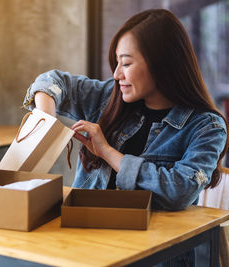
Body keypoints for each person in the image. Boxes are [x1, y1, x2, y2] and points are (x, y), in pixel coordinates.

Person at [23, 8, 228, 266]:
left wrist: (108, 152)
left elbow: (179, 191)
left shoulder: (206, 126)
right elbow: (51, 81)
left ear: (162, 64)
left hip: (153, 257)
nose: (117, 74)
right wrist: (46, 119)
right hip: (81, 248)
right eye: (117, 62)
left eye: (127, 63)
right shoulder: (110, 98)